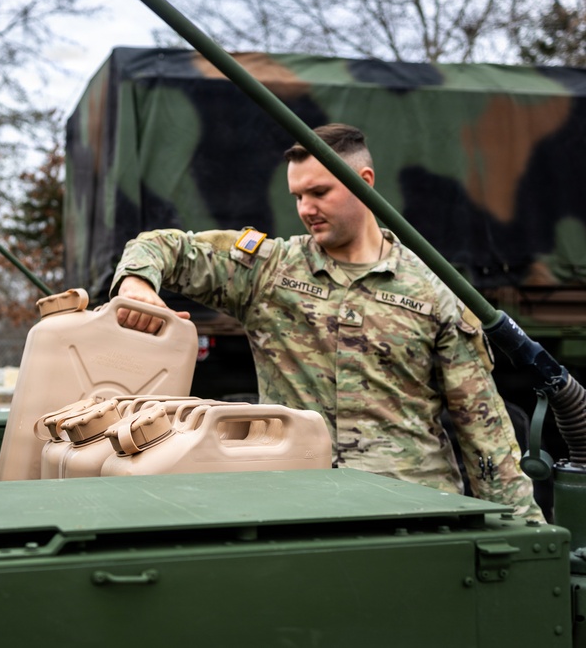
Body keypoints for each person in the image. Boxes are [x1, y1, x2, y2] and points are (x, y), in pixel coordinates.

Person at [111, 123, 544, 521]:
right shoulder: (270, 272)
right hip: (299, 508)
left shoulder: (434, 292)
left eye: (319, 192)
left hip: (411, 512)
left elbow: (483, 429)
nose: (306, 209)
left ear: (364, 183)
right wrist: (136, 283)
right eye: (298, 196)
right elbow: (164, 246)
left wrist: (523, 530)